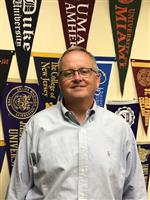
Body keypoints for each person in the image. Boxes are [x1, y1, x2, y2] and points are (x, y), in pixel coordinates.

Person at [6, 46, 147, 200]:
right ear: (59, 82)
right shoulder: (37, 126)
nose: (77, 78)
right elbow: (17, 191)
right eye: (68, 73)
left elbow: (135, 193)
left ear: (97, 79)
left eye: (84, 71)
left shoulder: (120, 129)